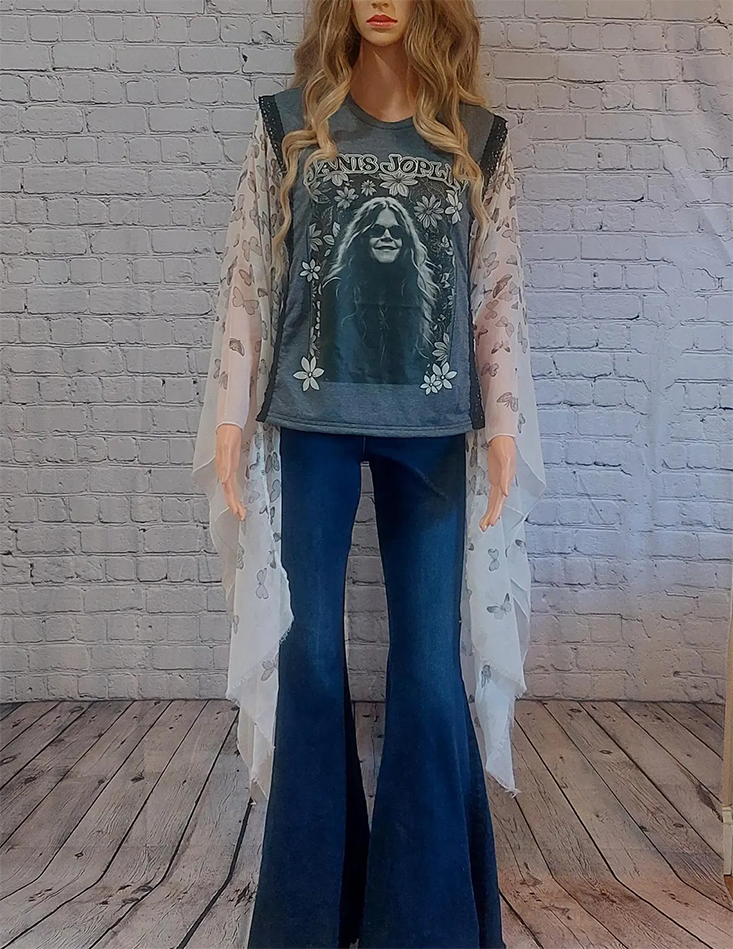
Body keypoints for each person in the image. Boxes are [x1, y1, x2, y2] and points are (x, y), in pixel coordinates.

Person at [192, 1, 546, 947]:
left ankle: (424, 923)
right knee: (309, 660)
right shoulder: (289, 127)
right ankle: (310, 918)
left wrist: (504, 425)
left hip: (430, 425)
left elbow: (498, 293)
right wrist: (230, 412)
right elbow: (248, 275)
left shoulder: (476, 139)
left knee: (428, 666)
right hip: (309, 419)